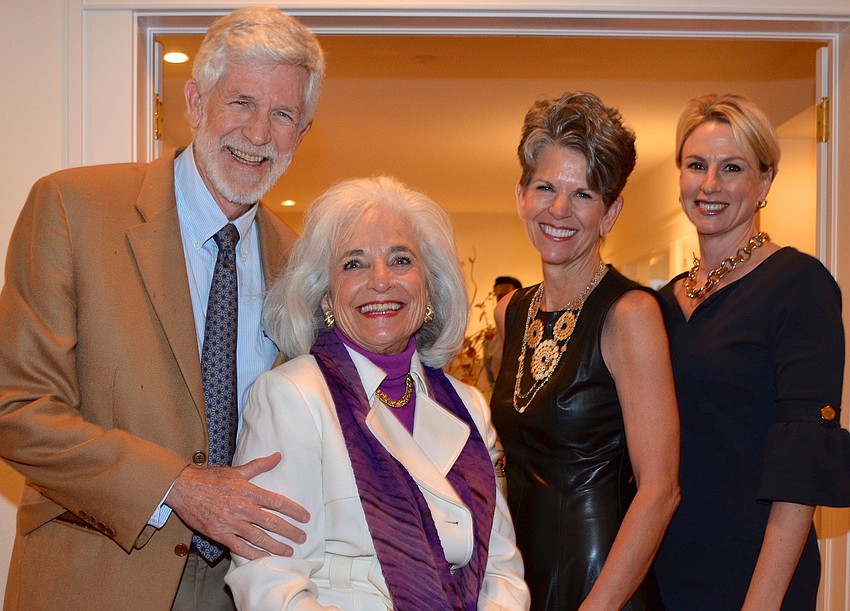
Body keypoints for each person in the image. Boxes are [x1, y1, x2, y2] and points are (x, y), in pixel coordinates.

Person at [0, 7, 325, 610]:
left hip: (247, 585)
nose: (259, 134)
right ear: (195, 101)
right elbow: (16, 407)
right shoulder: (72, 208)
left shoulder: (303, 262)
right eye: (241, 103)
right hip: (98, 576)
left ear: (302, 133)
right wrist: (176, 486)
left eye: (283, 114)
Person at [224, 176, 531, 610]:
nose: (381, 280)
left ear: (429, 287)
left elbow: (501, 569)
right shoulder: (291, 397)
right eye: (354, 264)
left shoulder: (468, 407)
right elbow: (272, 583)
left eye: (401, 259)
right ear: (326, 296)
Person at [653, 93, 850, 610]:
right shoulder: (658, 304)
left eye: (732, 167)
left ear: (764, 182)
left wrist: (760, 603)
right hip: (664, 571)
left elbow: (802, 464)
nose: (710, 184)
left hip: (757, 575)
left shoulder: (800, 286)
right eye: (696, 165)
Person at [490, 91, 680, 610]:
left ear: (611, 211)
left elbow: (660, 491)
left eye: (583, 194)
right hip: (518, 576)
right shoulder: (512, 311)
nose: (558, 209)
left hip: (603, 582)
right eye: (545, 187)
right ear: (520, 195)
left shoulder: (630, 315)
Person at [482, 276, 523, 388]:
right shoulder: (489, 340)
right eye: (499, 297)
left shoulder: (532, 332)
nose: (502, 302)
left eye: (507, 296)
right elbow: (490, 379)